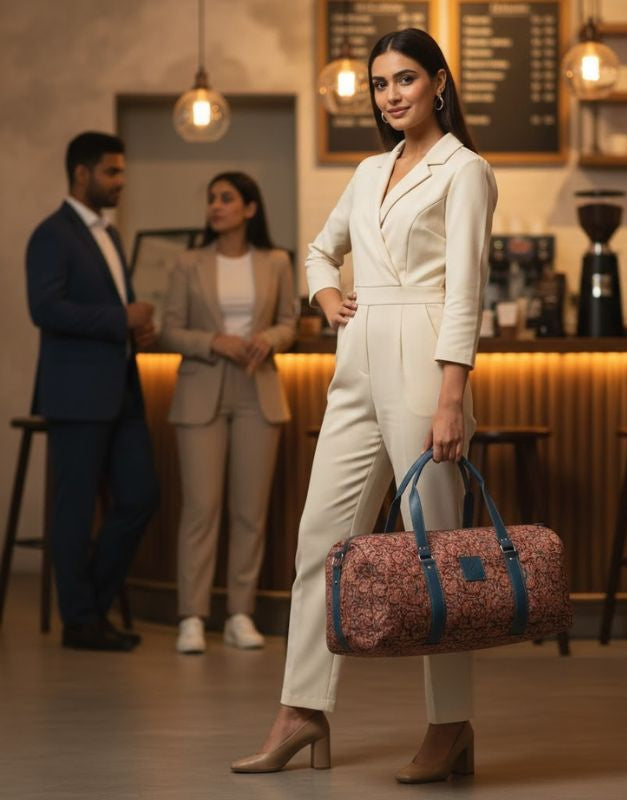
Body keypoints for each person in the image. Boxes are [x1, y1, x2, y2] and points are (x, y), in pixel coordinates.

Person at [231, 29, 497, 783]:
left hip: (425, 358)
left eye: (405, 79)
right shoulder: (369, 170)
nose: (391, 95)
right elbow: (320, 251)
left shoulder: (465, 170)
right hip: (355, 361)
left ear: (438, 83)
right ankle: (301, 710)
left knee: (436, 550)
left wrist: (452, 397)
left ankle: (450, 725)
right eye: (380, 84)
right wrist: (327, 299)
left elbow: (466, 292)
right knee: (320, 540)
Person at [25, 131, 160, 651]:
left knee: (141, 496)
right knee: (75, 510)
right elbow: (45, 309)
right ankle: (80, 622)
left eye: (122, 171)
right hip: (77, 393)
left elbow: (110, 309)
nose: (121, 181)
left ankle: (90, 609)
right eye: (112, 171)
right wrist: (119, 318)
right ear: (81, 174)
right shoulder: (51, 235)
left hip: (121, 388)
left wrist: (136, 330)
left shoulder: (110, 234)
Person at [161, 172, 297, 655]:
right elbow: (169, 331)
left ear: (250, 208)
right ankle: (192, 616)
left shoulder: (276, 261)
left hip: (258, 390)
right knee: (201, 509)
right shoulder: (188, 263)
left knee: (249, 513)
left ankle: (241, 613)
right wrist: (214, 341)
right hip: (202, 388)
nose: (215, 206)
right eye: (211, 199)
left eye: (226, 198)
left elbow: (290, 322)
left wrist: (270, 339)